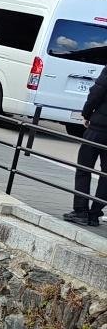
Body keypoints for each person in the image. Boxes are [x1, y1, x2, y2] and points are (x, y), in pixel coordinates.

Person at [65, 65, 107, 227]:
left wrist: (86, 114)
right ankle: (95, 214)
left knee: (84, 168)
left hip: (99, 126)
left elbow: (96, 93)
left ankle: (80, 211)